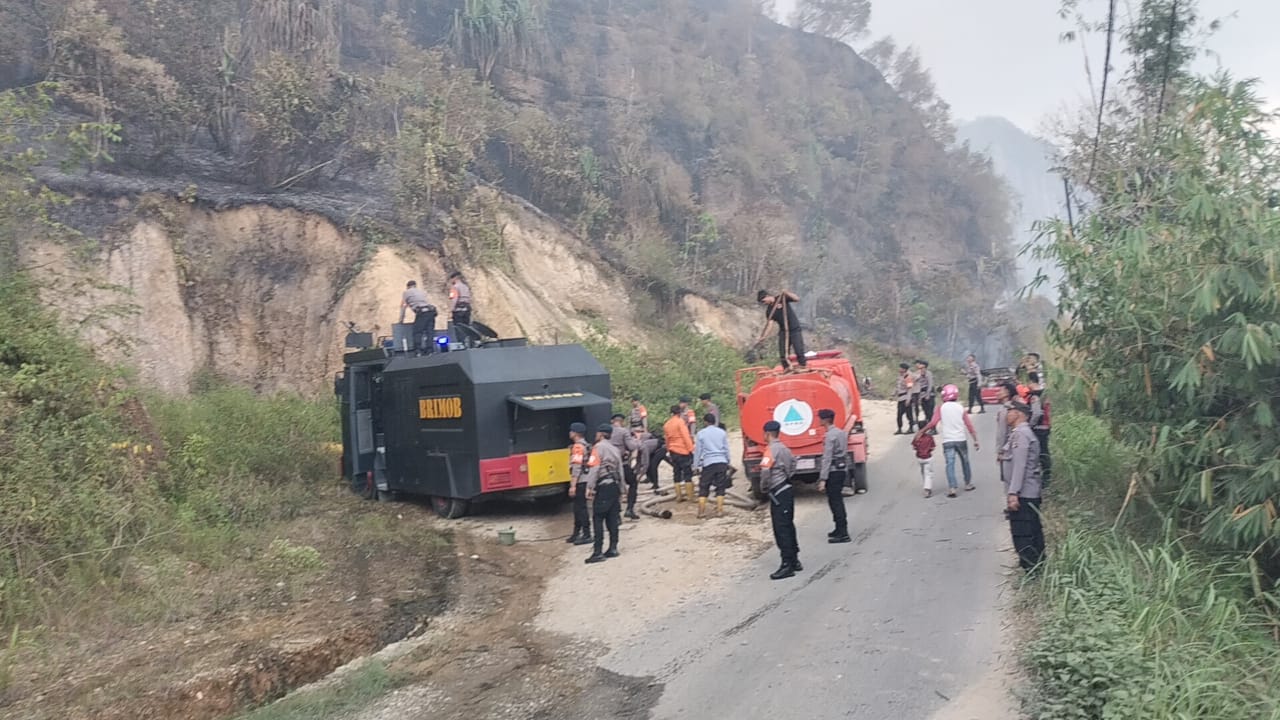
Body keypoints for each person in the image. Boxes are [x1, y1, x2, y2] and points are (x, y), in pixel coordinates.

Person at [1002, 401, 1045, 572]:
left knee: (1023, 532)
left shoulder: (1021, 435)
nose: (1007, 415)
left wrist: (1013, 493)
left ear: (1018, 413)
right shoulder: (1021, 433)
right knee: (1033, 530)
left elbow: (1020, 466)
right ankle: (1037, 566)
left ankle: (1032, 568)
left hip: (1024, 493)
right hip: (1028, 491)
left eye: (1009, 411)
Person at [917, 384, 981, 498]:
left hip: (948, 440)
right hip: (961, 439)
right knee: (965, 462)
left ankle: (952, 488)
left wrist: (921, 431)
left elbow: (933, 423)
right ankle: (968, 484)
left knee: (949, 464)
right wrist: (975, 440)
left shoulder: (940, 408)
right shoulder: (960, 408)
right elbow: (969, 425)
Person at [759, 420, 801, 579]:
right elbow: (793, 465)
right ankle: (795, 559)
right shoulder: (785, 448)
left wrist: (764, 487)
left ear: (767, 434)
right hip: (787, 489)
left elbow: (764, 470)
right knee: (789, 525)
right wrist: (786, 477)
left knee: (781, 529)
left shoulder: (770, 450)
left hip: (777, 493)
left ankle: (787, 565)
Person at [584, 423, 624, 564]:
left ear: (601, 434)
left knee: (598, 518)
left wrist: (590, 487)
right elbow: (620, 470)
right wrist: (622, 489)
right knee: (612, 518)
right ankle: (613, 548)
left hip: (603, 486)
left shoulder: (598, 448)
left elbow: (594, 469)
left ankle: (598, 551)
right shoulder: (614, 449)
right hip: (614, 486)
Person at [816, 408, 851, 543]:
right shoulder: (841, 433)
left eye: (820, 418)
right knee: (837, 501)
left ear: (825, 420)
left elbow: (827, 458)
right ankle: (839, 528)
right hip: (841, 469)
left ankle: (842, 532)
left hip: (833, 471)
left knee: (835, 502)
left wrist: (823, 478)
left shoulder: (830, 436)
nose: (818, 420)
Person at [755, 290, 808, 370]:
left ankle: (803, 365)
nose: (764, 303)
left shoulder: (782, 298)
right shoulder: (769, 311)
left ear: (767, 296)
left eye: (763, 301)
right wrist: (764, 336)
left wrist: (787, 292)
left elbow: (796, 299)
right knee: (783, 353)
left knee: (799, 350)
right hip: (783, 331)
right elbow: (770, 324)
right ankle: (787, 368)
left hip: (794, 329)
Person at [692, 413, 731, 518]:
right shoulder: (722, 432)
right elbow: (726, 448)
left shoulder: (701, 434)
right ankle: (719, 511)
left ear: (705, 422)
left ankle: (701, 512)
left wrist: (695, 466)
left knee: (704, 486)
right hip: (721, 462)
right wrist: (728, 461)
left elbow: (698, 451)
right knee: (720, 487)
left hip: (708, 463)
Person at [609, 413, 641, 519]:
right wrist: (636, 441)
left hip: (609, 466)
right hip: (622, 464)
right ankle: (629, 509)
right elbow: (632, 446)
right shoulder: (623, 431)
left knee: (614, 489)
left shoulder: (605, 432)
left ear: (612, 421)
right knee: (633, 483)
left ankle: (616, 515)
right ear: (622, 422)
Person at [565, 423, 592, 545]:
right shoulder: (586, 445)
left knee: (581, 508)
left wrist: (573, 486)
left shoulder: (577, 447)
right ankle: (576, 533)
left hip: (581, 481)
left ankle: (586, 534)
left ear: (575, 433)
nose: (569, 432)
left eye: (571, 431)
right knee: (577, 508)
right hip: (585, 479)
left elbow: (576, 468)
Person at [662, 405, 695, 502]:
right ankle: (690, 497)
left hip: (673, 451)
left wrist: (669, 450)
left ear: (671, 413)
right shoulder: (680, 422)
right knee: (687, 474)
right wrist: (691, 449)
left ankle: (678, 496)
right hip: (683, 451)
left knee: (676, 473)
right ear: (679, 413)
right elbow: (686, 437)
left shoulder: (667, 424)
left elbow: (667, 440)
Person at [399, 280, 437, 352]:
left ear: (408, 287)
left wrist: (401, 319)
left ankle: (418, 350)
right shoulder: (422, 292)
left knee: (417, 331)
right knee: (429, 332)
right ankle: (430, 349)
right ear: (415, 285)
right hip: (431, 312)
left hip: (422, 313)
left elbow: (403, 306)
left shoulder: (406, 292)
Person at [1028, 382, 1053, 491]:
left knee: (1040, 453)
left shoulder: (1035, 396)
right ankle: (1047, 475)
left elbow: (1037, 413)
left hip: (1038, 428)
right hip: (1046, 427)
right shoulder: (1044, 394)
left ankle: (1045, 478)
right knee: (1044, 452)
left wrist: (1030, 425)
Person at [993, 381, 1018, 485]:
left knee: (1008, 480)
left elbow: (1002, 432)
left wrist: (1000, 451)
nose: (997, 393)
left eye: (1000, 391)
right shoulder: (1015, 407)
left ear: (1007, 393)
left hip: (1007, 448)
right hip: (1016, 445)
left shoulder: (1005, 410)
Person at [911, 428, 937, 498]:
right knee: (928, 473)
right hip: (928, 457)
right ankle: (927, 489)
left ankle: (926, 485)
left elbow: (913, 447)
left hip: (920, 457)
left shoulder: (916, 437)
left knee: (923, 472)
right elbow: (933, 447)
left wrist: (918, 449)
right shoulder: (929, 437)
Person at [894, 363, 915, 434]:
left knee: (909, 414)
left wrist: (908, 399)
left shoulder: (907, 377)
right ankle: (899, 428)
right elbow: (897, 387)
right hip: (900, 398)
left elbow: (910, 388)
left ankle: (911, 428)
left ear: (904, 369)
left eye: (900, 368)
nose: (899, 369)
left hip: (906, 397)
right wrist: (894, 393)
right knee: (899, 415)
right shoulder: (900, 377)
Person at [915, 360, 936, 430]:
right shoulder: (918, 375)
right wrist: (919, 398)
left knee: (930, 412)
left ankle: (933, 428)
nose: (921, 369)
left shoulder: (928, 374)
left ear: (925, 368)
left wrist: (928, 394)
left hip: (929, 395)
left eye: (922, 367)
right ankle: (929, 426)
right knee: (926, 412)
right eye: (920, 367)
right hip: (922, 395)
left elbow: (930, 385)